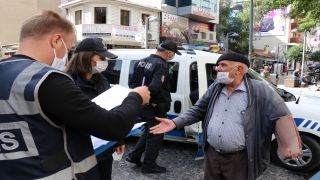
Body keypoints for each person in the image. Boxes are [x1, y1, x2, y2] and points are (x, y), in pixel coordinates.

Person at [0, 10, 150, 180]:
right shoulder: (48, 80)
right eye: (68, 49)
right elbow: (114, 127)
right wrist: (136, 97)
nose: (66, 56)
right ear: (56, 40)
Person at [150, 52, 301, 180]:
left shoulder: (259, 89)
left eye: (223, 65)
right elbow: (198, 110)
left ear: (239, 69)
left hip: (240, 159)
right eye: (218, 65)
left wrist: (291, 146)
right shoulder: (216, 87)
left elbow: (281, 116)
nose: (217, 68)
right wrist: (175, 123)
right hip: (212, 155)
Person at [65, 37, 124, 180]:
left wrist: (119, 139)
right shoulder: (67, 82)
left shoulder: (101, 80)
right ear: (86, 57)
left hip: (104, 148)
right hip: (80, 150)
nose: (104, 61)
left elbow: (112, 110)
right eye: (101, 57)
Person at [126, 40, 181, 174]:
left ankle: (134, 156)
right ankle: (149, 165)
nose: (173, 56)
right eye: (173, 53)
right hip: (156, 106)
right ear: (168, 52)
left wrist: (141, 97)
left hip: (143, 105)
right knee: (156, 134)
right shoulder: (161, 65)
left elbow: (132, 82)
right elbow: (155, 86)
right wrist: (148, 97)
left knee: (149, 131)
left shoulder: (141, 61)